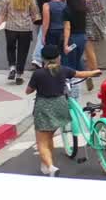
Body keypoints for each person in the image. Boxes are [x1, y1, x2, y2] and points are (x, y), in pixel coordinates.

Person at [25, 44, 101, 177]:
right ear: (58, 57)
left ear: (43, 59)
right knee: (49, 136)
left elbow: (28, 91)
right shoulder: (63, 70)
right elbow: (80, 73)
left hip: (44, 106)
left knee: (42, 141)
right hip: (60, 104)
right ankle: (46, 164)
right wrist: (94, 72)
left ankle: (50, 166)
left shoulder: (38, 74)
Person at [0, 0, 40, 85]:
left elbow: (2, 15)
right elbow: (35, 16)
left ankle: (12, 68)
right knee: (23, 52)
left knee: (10, 48)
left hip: (10, 28)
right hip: (25, 29)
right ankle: (19, 75)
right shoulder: (30, 0)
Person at [75, 0, 106, 91]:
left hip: (84, 26)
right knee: (90, 49)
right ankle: (93, 69)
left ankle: (93, 70)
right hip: (95, 26)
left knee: (87, 50)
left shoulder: (81, 0)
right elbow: (101, 11)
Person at [61, 0, 89, 72]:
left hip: (72, 39)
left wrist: (65, 44)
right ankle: (84, 76)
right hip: (83, 37)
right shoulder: (82, 6)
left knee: (69, 62)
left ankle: (73, 82)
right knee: (77, 59)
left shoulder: (67, 10)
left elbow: (67, 28)